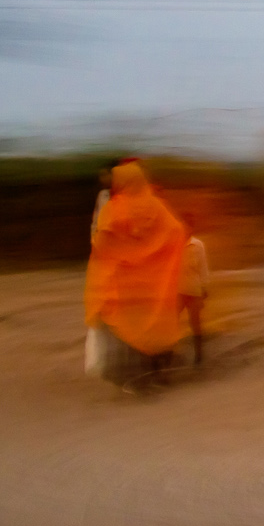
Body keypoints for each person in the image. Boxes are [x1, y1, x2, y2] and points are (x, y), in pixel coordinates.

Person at [85, 159, 187, 395]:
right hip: (153, 285)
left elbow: (102, 243)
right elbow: (177, 231)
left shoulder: (114, 207)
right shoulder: (156, 204)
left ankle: (134, 379)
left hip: (125, 286)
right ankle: (158, 374)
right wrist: (155, 256)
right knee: (153, 329)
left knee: (125, 330)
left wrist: (123, 257)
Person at [178, 214, 210, 367]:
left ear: (190, 228)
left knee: (195, 322)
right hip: (178, 290)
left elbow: (203, 268)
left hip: (194, 289)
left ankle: (199, 354)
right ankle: (170, 350)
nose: (183, 228)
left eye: (186, 226)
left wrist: (204, 289)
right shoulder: (174, 244)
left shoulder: (198, 245)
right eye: (181, 225)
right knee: (171, 320)